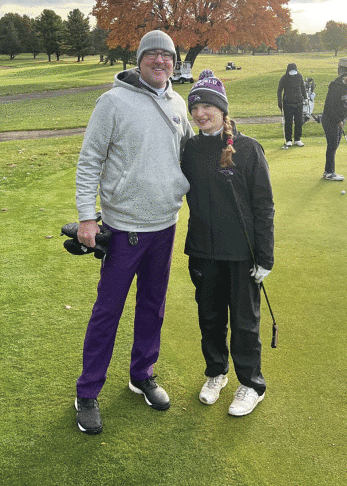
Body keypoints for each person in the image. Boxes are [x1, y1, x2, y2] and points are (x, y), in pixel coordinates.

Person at [74, 30, 193, 434]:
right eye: (153, 55)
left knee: (153, 305)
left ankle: (141, 373)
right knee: (108, 310)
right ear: (140, 59)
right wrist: (87, 217)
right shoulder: (112, 102)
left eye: (167, 56)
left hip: (166, 224)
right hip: (125, 227)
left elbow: (190, 157)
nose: (161, 61)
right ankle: (87, 392)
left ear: (174, 63)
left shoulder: (177, 103)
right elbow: (89, 160)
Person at [181, 70, 274, 417]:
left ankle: (251, 384)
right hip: (203, 250)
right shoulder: (190, 149)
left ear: (221, 108)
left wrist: (265, 257)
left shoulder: (248, 149)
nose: (200, 113)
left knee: (245, 323)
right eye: (195, 107)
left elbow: (264, 206)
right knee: (210, 318)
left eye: (207, 105)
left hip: (242, 254)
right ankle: (216, 373)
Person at [277, 63, 307, 147]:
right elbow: (279, 91)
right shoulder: (284, 78)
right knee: (288, 122)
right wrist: (279, 102)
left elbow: (302, 87)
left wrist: (305, 98)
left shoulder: (299, 76)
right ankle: (288, 140)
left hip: (299, 102)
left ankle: (297, 139)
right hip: (288, 103)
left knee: (299, 121)